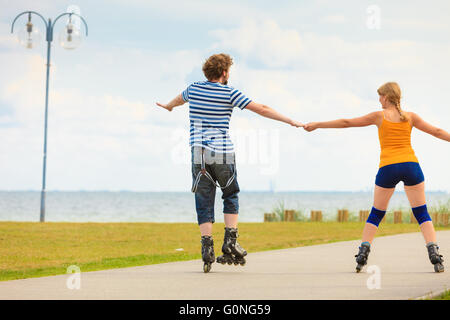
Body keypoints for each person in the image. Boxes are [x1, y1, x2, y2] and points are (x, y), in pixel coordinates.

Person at [156, 53, 303, 272]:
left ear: (207, 72)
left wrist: (169, 106)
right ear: (225, 73)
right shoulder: (229, 92)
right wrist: (290, 120)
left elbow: (179, 98)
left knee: (203, 199)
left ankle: (207, 248)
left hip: (199, 154)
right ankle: (230, 241)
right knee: (230, 194)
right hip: (222, 153)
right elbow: (261, 108)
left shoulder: (194, 88)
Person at [303, 82, 449, 273]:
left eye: (380, 96)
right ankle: (435, 255)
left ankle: (362, 255)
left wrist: (317, 125)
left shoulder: (378, 116)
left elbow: (347, 122)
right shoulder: (411, 117)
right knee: (422, 213)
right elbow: (437, 132)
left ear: (387, 97)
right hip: (411, 166)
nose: (379, 100)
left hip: (388, 167)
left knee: (376, 214)